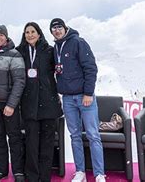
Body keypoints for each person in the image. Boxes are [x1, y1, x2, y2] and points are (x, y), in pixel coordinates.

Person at [50, 18, 105, 182]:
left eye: (59, 27)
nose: (57, 31)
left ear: (65, 28)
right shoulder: (56, 47)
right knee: (74, 135)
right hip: (67, 98)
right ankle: (80, 171)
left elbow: (91, 68)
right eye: (53, 29)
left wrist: (88, 93)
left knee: (93, 135)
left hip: (84, 96)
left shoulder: (78, 42)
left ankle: (99, 173)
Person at [16, 22, 62, 182]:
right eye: (27, 32)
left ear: (39, 33)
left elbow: (59, 71)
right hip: (29, 103)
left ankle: (44, 176)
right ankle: (32, 176)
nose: (30, 35)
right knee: (31, 142)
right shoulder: (19, 51)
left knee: (47, 142)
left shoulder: (49, 51)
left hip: (48, 102)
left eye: (33, 31)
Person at [0, 24, 26, 182]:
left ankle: (18, 171)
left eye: (1, 35)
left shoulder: (14, 55)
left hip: (9, 104)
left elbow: (20, 81)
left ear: (6, 37)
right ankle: (1, 169)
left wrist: (11, 104)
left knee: (14, 137)